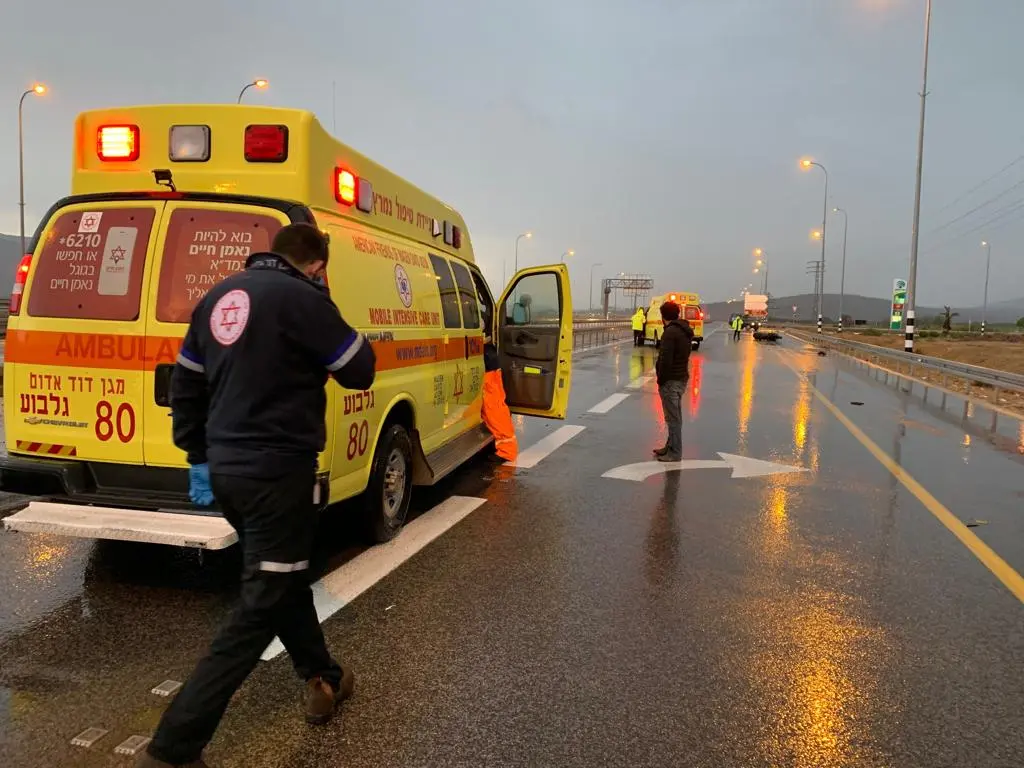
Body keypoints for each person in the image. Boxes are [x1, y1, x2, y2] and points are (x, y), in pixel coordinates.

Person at [140, 223, 376, 768]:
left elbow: (186, 383)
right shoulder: (303, 298)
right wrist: (324, 301)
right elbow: (360, 370)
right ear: (317, 265)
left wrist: (196, 453)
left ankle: (325, 679)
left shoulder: (218, 296)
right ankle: (173, 747)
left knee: (282, 577)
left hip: (227, 474)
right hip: (277, 474)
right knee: (261, 601)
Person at [652, 301, 693, 462]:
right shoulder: (683, 330)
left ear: (663, 316)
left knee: (673, 418)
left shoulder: (670, 333)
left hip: (670, 380)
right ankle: (669, 447)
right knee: (674, 417)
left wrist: (661, 379)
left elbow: (665, 360)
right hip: (681, 378)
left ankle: (675, 452)